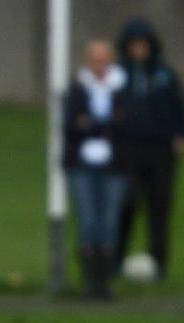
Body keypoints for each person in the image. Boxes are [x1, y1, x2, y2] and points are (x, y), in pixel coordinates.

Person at [114, 18, 184, 281]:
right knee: (126, 203)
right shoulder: (118, 75)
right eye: (134, 45)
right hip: (129, 149)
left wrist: (180, 135)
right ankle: (115, 260)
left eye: (143, 45)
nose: (139, 50)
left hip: (160, 150)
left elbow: (180, 111)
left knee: (159, 207)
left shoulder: (164, 75)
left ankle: (159, 263)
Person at [64, 40, 127, 299]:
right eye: (94, 60)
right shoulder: (78, 88)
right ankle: (90, 284)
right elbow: (72, 124)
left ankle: (105, 284)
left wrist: (91, 123)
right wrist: (103, 124)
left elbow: (125, 124)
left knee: (109, 224)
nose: (99, 65)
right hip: (82, 164)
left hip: (114, 165)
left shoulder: (121, 88)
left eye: (104, 60)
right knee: (88, 221)